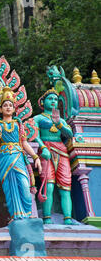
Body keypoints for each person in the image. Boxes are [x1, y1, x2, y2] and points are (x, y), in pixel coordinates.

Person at [0, 87, 42, 222]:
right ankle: (15, 215)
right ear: (0, 110)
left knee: (25, 186)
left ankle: (28, 213)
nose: (8, 107)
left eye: (10, 105)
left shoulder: (18, 124)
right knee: (9, 189)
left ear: (14, 109)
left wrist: (35, 157)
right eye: (5, 105)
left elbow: (24, 143)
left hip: (18, 157)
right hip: (3, 158)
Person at [34, 88, 74, 224]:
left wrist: (59, 124)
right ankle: (47, 218)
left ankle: (68, 219)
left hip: (62, 152)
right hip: (46, 151)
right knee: (48, 185)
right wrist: (43, 147)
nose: (53, 101)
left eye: (55, 99)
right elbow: (34, 135)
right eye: (50, 99)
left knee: (65, 187)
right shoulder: (38, 118)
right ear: (42, 101)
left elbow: (69, 134)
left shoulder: (60, 119)